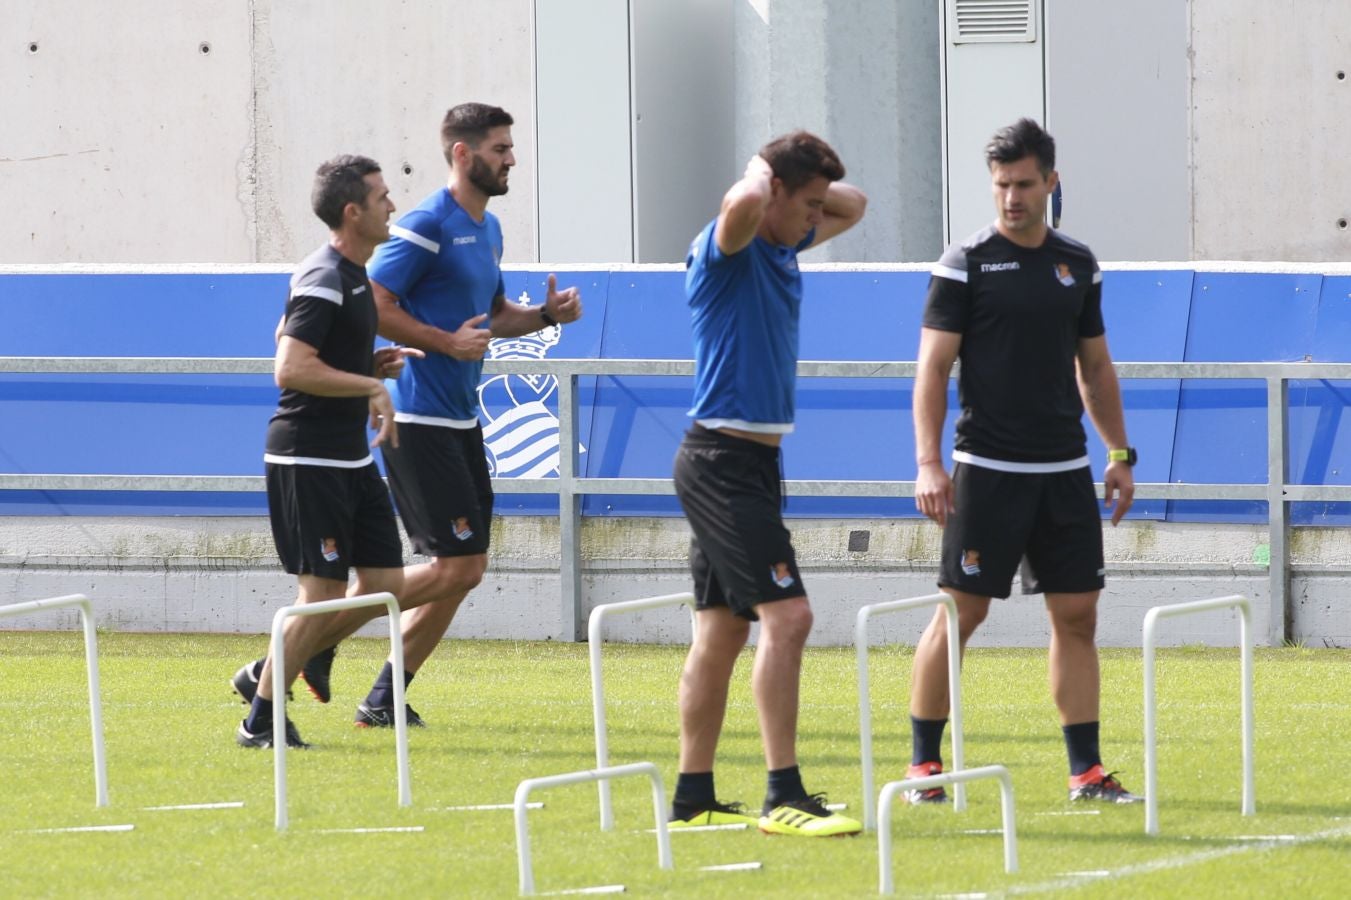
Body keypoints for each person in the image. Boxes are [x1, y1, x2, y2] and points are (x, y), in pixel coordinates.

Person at [907, 117, 1141, 803]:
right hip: (987, 470)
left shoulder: (1078, 264)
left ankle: (1086, 772)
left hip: (1063, 472)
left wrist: (1118, 453)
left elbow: (1094, 368)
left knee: (1077, 616)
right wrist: (928, 462)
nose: (1010, 197)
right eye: (1000, 185)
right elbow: (930, 370)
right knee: (960, 614)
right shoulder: (964, 262)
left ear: (1050, 182)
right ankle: (923, 768)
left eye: (1023, 184)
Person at [345, 101, 582, 728]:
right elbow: (373, 300)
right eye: (500, 149)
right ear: (462, 153)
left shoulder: (491, 229)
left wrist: (547, 317)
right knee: (459, 566)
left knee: (463, 571)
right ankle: (296, 648)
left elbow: (496, 316)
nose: (511, 159)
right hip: (416, 417)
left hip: (460, 418)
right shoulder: (427, 222)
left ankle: (383, 696)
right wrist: (441, 342)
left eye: (510, 148)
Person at [669, 131, 868, 836]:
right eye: (804, 203)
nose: (818, 218)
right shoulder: (729, 249)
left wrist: (803, 184)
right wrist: (763, 171)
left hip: (749, 462)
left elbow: (856, 203)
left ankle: (691, 797)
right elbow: (748, 201)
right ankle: (782, 794)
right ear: (773, 191)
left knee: (720, 634)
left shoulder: (783, 243)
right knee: (790, 618)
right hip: (720, 461)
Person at [234, 154, 422, 748]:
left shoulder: (356, 275)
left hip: (351, 458)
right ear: (353, 211)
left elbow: (299, 343)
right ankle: (260, 720)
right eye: (383, 196)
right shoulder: (326, 275)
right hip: (307, 456)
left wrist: (365, 366)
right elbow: (288, 364)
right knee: (318, 594)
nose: (393, 205)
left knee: (386, 582)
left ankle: (274, 668)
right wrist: (369, 385)